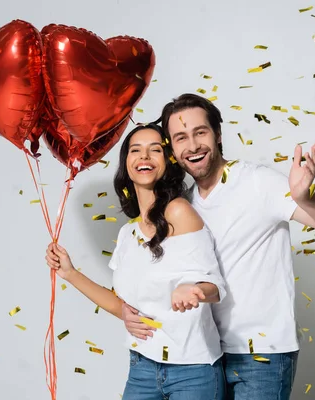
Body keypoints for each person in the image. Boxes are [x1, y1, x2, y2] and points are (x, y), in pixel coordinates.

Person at [121, 93, 315, 400]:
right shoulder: (183, 205)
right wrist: (127, 310)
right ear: (173, 151)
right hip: (206, 354)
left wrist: (305, 198)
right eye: (180, 138)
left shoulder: (258, 182)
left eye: (200, 132)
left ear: (217, 134)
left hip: (261, 356)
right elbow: (166, 279)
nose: (192, 146)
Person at [46, 123, 228, 400]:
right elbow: (124, 307)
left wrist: (195, 290)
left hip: (192, 370)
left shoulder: (179, 212)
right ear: (126, 163)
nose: (144, 156)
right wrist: (70, 273)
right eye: (136, 150)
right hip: (141, 367)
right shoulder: (127, 234)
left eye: (155, 150)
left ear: (166, 163)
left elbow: (215, 286)